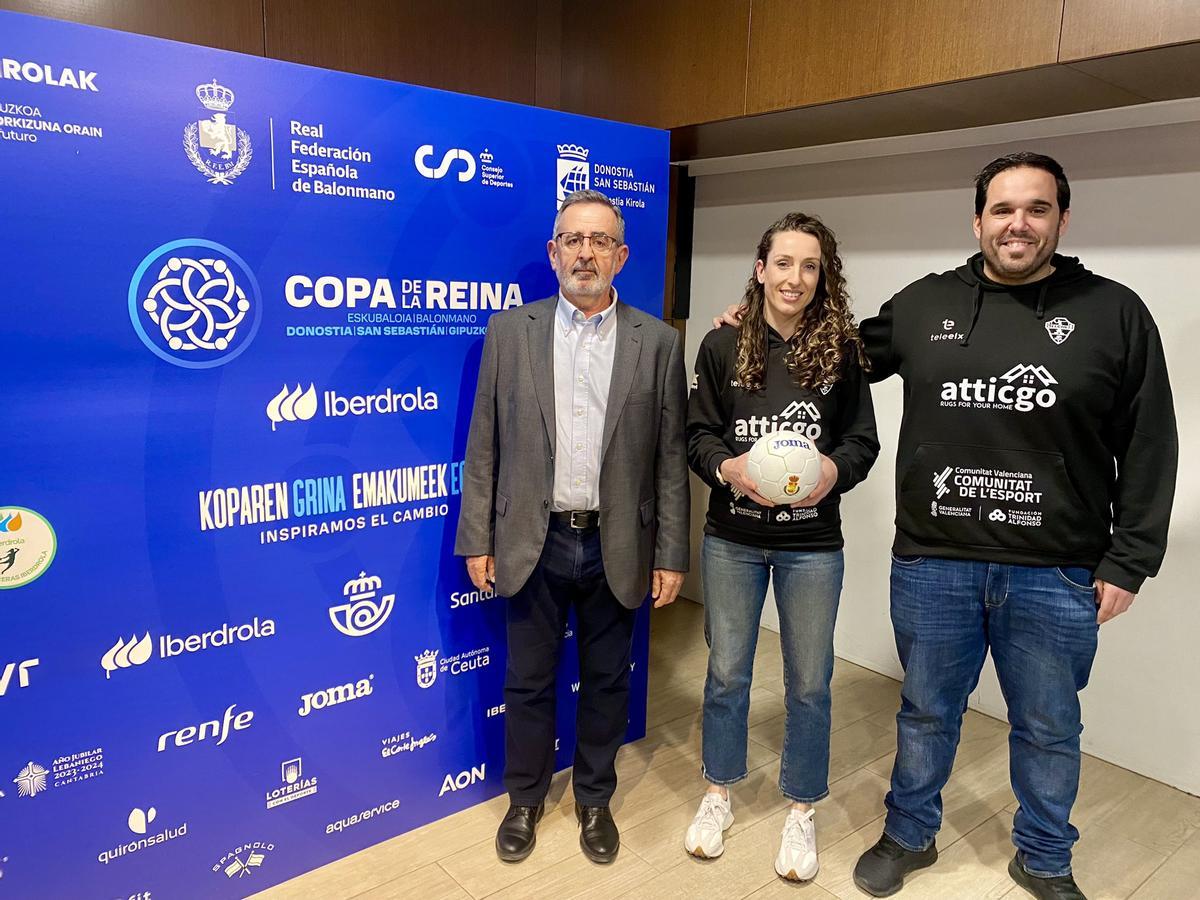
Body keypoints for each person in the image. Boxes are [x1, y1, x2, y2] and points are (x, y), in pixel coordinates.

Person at [716, 152, 1177, 899]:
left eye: (1035, 209)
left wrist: (1130, 560)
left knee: (1049, 727)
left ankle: (1046, 856)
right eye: (1002, 209)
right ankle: (910, 833)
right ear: (978, 220)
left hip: (1055, 568)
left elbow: (1152, 441)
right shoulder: (929, 303)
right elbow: (835, 353)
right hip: (935, 561)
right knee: (926, 712)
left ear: (1062, 218)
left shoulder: (1113, 312)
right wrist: (764, 325)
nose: (1017, 224)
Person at [455, 189, 690, 865]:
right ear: (554, 252)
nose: (585, 253)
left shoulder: (659, 342)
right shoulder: (511, 332)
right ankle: (525, 799)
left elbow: (670, 458)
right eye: (572, 239)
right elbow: (485, 445)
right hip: (533, 538)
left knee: (608, 681)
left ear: (620, 255)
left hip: (618, 544)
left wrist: (670, 552)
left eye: (600, 241)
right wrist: (478, 536)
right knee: (526, 680)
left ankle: (594, 799)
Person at [684, 212, 879, 881]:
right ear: (760, 269)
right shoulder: (722, 345)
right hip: (733, 538)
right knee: (728, 674)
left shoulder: (843, 351)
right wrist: (730, 470)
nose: (794, 277)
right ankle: (719, 793)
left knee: (810, 684)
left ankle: (801, 807)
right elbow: (698, 434)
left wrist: (832, 473)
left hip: (813, 545)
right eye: (784, 263)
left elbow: (862, 442)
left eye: (810, 265)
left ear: (823, 277)